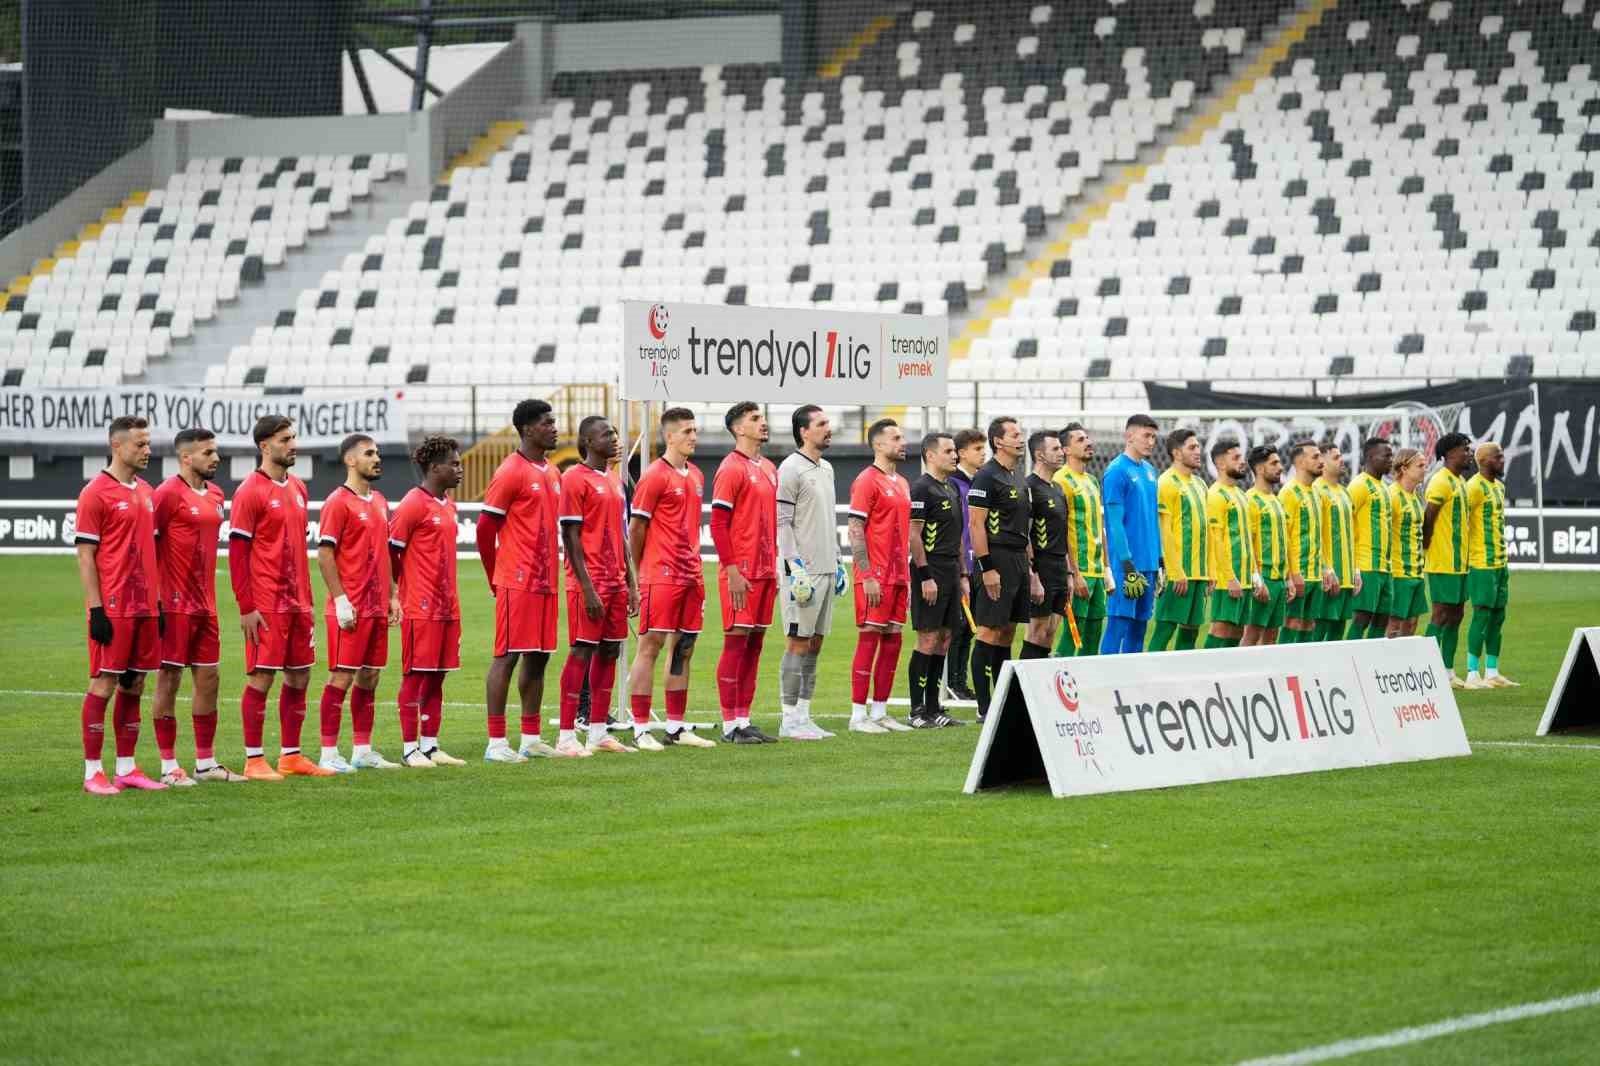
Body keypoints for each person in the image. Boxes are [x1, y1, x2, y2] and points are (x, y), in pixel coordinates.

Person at [229, 415, 328, 779]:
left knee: (300, 677)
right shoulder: (249, 491)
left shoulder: (299, 487)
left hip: (299, 601)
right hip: (266, 604)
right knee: (261, 678)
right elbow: (238, 553)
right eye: (285, 439)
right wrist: (247, 606)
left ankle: (291, 755)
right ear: (264, 446)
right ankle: (254, 760)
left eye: (293, 438)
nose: (293, 445)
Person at [75, 415, 167, 794]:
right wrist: (96, 610)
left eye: (148, 444)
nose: (148, 450)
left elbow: (151, 552)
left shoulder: (146, 491)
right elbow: (86, 556)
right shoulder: (95, 493)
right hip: (113, 608)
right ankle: (93, 771)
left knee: (135, 685)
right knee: (104, 684)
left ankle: (127, 768)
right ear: (117, 445)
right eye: (140, 445)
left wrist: (157, 604)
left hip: (145, 607)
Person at [151, 428, 240, 784]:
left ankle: (205, 763)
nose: (215, 458)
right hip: (172, 605)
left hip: (206, 604)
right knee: (169, 679)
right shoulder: (167, 495)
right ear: (186, 458)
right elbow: (148, 545)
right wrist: (154, 598)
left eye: (215, 451)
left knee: (209, 678)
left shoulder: (217, 494)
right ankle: (168, 765)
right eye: (207, 453)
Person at [315, 434, 408, 773]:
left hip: (376, 608)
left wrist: (393, 595)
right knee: (341, 678)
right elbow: (325, 556)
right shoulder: (337, 502)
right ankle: (328, 753)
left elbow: (383, 554)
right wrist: (340, 600)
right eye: (369, 453)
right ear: (350, 461)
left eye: (378, 452)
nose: (377, 458)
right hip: (350, 609)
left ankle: (362, 750)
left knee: (370, 677)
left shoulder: (381, 501)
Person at [626, 407, 717, 748]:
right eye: (687, 431)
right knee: (650, 646)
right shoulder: (654, 476)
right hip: (659, 575)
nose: (694, 436)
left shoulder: (695, 475)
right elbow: (636, 529)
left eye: (695, 430)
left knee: (685, 648)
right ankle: (640, 728)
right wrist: (634, 578)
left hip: (691, 575)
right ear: (669, 436)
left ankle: (676, 727)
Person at [477, 399, 563, 762]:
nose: (555, 427)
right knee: (507, 657)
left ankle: (530, 738)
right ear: (528, 429)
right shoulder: (511, 471)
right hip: (518, 579)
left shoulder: (553, 472)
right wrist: (496, 576)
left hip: (546, 581)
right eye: (547, 422)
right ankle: (497, 743)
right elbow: (485, 529)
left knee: (539, 658)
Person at [558, 416, 641, 753]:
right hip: (588, 583)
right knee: (581, 650)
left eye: (615, 432)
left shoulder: (614, 481)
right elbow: (571, 537)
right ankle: (566, 735)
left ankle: (597, 732)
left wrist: (632, 582)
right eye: (606, 433)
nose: (614, 437)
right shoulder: (573, 478)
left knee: (610, 650)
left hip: (616, 581)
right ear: (588, 441)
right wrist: (588, 587)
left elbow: (621, 534)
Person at [388, 436, 466, 767]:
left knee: (438, 676)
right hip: (420, 605)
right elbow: (392, 551)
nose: (460, 469)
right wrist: (398, 592)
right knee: (416, 676)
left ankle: (431, 745)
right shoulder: (412, 504)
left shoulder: (449, 505)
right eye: (455, 464)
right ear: (435, 468)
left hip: (448, 605)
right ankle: (410, 749)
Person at [710, 401, 779, 743]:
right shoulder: (730, 468)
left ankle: (744, 719)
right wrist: (732, 569)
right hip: (742, 572)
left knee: (755, 644)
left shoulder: (768, 466)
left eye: (762, 417)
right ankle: (728, 726)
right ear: (739, 428)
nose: (762, 423)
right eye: (755, 419)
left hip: (766, 571)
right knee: (736, 642)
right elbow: (718, 523)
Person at [776, 404, 844, 740]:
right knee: (797, 643)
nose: (828, 428)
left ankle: (804, 714)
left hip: (827, 568)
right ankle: (788, 718)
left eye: (828, 423)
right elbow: (783, 522)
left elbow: (826, 520)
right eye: (821, 424)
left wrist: (838, 559)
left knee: (815, 644)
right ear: (804, 431)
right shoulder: (790, 468)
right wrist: (794, 567)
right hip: (803, 572)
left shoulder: (827, 468)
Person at [967, 416, 1042, 714]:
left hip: (1018, 561)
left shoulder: (1017, 477)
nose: (1020, 438)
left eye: (1021, 433)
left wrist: (1031, 571)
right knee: (988, 631)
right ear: (998, 441)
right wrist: (987, 568)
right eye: (1014, 434)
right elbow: (975, 524)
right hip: (995, 558)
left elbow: (1024, 528)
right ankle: (984, 707)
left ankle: (1000, 702)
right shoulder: (986, 476)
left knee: (1007, 632)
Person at [845, 418, 914, 733]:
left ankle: (881, 711)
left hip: (899, 575)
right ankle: (858, 715)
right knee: (870, 638)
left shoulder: (902, 482)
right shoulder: (866, 480)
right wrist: (867, 573)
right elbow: (856, 528)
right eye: (896, 437)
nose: (903, 442)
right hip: (875, 575)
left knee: (892, 640)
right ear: (878, 444)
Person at [907, 431, 967, 728]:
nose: (955, 455)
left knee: (944, 639)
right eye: (948, 451)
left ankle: (934, 706)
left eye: (955, 451)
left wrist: (964, 574)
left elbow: (956, 536)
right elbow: (914, 535)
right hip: (931, 570)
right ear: (930, 455)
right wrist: (925, 576)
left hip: (952, 572)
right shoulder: (921, 489)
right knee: (928, 638)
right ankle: (917, 710)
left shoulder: (952, 489)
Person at [1100, 414, 1162, 654]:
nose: (1151, 442)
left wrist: (1160, 560)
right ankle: (1105, 681)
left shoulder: (1150, 471)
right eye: (1146, 435)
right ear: (1129, 436)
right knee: (1118, 625)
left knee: (1140, 627)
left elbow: (1151, 519)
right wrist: (1126, 565)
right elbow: (1115, 523)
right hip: (1127, 566)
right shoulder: (1116, 471)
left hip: (1148, 564)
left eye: (1154, 437)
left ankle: (1128, 685)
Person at [1464, 441, 1518, 689]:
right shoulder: (1473, 487)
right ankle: (1472, 674)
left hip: (1499, 562)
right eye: (1499, 457)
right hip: (1481, 564)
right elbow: (1461, 525)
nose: (1503, 460)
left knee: (1498, 616)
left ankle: (1493, 671)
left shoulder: (1498, 487)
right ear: (1485, 461)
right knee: (1482, 615)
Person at [1150, 428, 1210, 651]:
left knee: (1191, 631)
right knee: (1165, 630)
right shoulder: (1166, 482)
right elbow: (1164, 530)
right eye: (1192, 447)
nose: (1198, 451)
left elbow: (1207, 531)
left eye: (1198, 446)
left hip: (1199, 573)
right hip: (1179, 573)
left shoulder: (1200, 484)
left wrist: (1209, 570)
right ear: (1176, 453)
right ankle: (1147, 680)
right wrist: (1175, 571)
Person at [1052, 423, 1106, 657]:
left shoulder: (1093, 480)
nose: (1088, 442)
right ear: (1065, 449)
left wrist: (1107, 568)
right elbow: (1060, 530)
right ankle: (1057, 684)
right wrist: (1073, 573)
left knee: (1094, 632)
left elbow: (1098, 525)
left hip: (1097, 571)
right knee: (1073, 632)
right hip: (1079, 571)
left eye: (1087, 438)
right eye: (1080, 440)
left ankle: (1088, 687)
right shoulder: (1061, 480)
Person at [1024, 430, 1079, 658]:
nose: (1061, 452)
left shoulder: (1058, 489)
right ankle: (1018, 691)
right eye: (1055, 449)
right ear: (1039, 455)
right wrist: (1032, 574)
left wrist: (1069, 573)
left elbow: (1063, 534)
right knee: (1036, 630)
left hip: (1058, 568)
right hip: (1041, 567)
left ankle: (1036, 689)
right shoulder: (1028, 487)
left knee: (1050, 632)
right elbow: (1024, 534)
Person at [1423, 432, 1472, 685]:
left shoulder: (1460, 481)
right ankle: (1427, 670)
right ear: (1450, 453)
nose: (1469, 453)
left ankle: (1448, 670)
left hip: (1460, 563)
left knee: (1457, 614)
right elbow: (1428, 517)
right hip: (1443, 562)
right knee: (1440, 615)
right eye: (1465, 449)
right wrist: (1428, 547)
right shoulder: (1440, 481)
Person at [944, 429, 985, 699]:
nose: (983, 453)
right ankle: (954, 682)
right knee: (959, 624)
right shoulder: (954, 484)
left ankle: (961, 681)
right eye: (977, 448)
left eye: (984, 448)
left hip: (979, 564)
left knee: (973, 625)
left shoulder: (979, 482)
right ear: (961, 454)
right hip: (961, 565)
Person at [1203, 439, 1256, 649]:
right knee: (1221, 628)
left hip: (1244, 577)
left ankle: (1225, 677)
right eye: (1236, 458)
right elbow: (1215, 540)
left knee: (1238, 630)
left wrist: (1253, 574)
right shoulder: (1216, 494)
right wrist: (1229, 577)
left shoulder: (1241, 495)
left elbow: (1247, 540)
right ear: (1220, 464)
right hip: (1228, 579)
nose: (1242, 462)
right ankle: (1205, 674)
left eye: (1241, 457)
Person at [1278, 439, 1330, 644]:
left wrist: (1326, 568)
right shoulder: (1289, 492)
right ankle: (1283, 669)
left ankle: (1303, 671)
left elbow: (1320, 536)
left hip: (1315, 575)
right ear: (1300, 462)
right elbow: (1284, 538)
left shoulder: (1317, 493)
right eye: (1315, 456)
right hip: (1298, 574)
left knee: (1309, 624)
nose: (1321, 461)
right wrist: (1292, 574)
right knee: (1291, 623)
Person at [1242, 445, 1290, 647]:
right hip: (1263, 578)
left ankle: (1265, 678)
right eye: (1274, 463)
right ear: (1260, 469)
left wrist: (1287, 578)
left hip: (1279, 579)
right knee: (1252, 635)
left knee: (1271, 639)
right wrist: (1256, 578)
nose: (1280, 467)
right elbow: (1247, 543)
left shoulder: (1275, 500)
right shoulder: (1250, 499)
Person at [1347, 438, 1395, 640]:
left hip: (1384, 566)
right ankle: (1349, 664)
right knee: (1362, 617)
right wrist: (1354, 567)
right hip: (1366, 565)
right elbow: (1346, 526)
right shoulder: (1358, 485)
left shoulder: (1383, 487)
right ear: (1370, 457)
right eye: (1386, 455)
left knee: (1382, 619)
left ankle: (1370, 666)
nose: (1390, 460)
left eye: (1391, 455)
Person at [1311, 443, 1359, 643]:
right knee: (1318, 629)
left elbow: (1353, 535)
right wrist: (1325, 567)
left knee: (1337, 632)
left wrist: (1355, 570)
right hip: (1329, 575)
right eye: (1336, 457)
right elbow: (1314, 534)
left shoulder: (1345, 492)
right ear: (1322, 461)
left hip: (1346, 574)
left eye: (1341, 456)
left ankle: (1331, 674)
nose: (1342, 460)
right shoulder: (1316, 490)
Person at [1386, 448, 1430, 638]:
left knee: (1412, 623)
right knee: (1394, 623)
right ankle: (1385, 667)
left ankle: (1404, 667)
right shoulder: (1392, 495)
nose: (1424, 469)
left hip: (1416, 571)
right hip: (1398, 572)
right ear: (1404, 468)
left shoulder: (1416, 496)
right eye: (1420, 466)